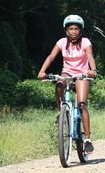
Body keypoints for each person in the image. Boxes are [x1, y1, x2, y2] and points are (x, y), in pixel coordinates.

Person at [37, 14, 97, 153]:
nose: (74, 31)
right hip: (67, 73)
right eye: (71, 28)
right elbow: (51, 56)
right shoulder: (62, 42)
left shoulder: (85, 42)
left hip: (82, 74)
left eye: (76, 28)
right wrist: (42, 71)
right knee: (59, 84)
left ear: (80, 30)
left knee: (82, 104)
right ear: (66, 30)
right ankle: (61, 112)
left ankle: (87, 139)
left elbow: (90, 56)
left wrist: (92, 70)